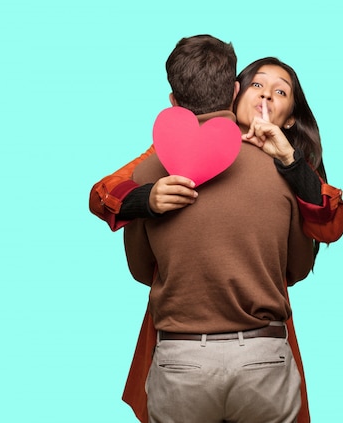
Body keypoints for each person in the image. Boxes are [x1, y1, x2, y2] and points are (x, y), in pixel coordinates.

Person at [123, 35, 313, 422]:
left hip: (181, 359)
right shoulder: (284, 170)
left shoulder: (146, 173)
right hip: (264, 357)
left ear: (174, 101)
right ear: (234, 90)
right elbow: (298, 268)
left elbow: (142, 271)